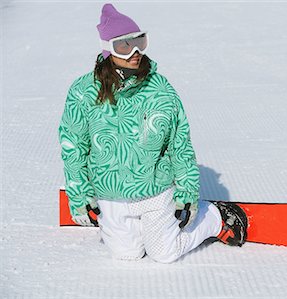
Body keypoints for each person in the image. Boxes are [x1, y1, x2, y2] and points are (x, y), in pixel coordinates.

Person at [58, 3, 247, 263]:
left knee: (164, 253)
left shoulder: (159, 89)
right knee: (127, 254)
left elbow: (179, 144)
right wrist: (79, 194)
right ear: (107, 48)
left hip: (155, 188)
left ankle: (213, 216)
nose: (135, 52)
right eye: (124, 45)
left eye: (140, 42)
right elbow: (73, 146)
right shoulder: (83, 92)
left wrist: (188, 192)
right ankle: (141, 229)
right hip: (109, 191)